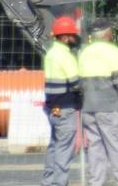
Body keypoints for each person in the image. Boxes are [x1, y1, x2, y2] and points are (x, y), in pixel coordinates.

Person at [78, 20, 118, 186]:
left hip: (88, 109)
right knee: (116, 147)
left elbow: (79, 84)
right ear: (106, 34)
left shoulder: (84, 52)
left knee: (95, 149)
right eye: (111, 32)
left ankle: (96, 182)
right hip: (109, 108)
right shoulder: (112, 51)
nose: (112, 35)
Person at [42, 15, 81, 186]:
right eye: (73, 35)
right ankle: (59, 183)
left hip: (53, 107)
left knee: (54, 145)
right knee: (64, 149)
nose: (74, 38)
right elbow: (76, 83)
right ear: (65, 37)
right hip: (65, 108)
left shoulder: (51, 53)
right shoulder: (65, 56)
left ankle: (48, 181)